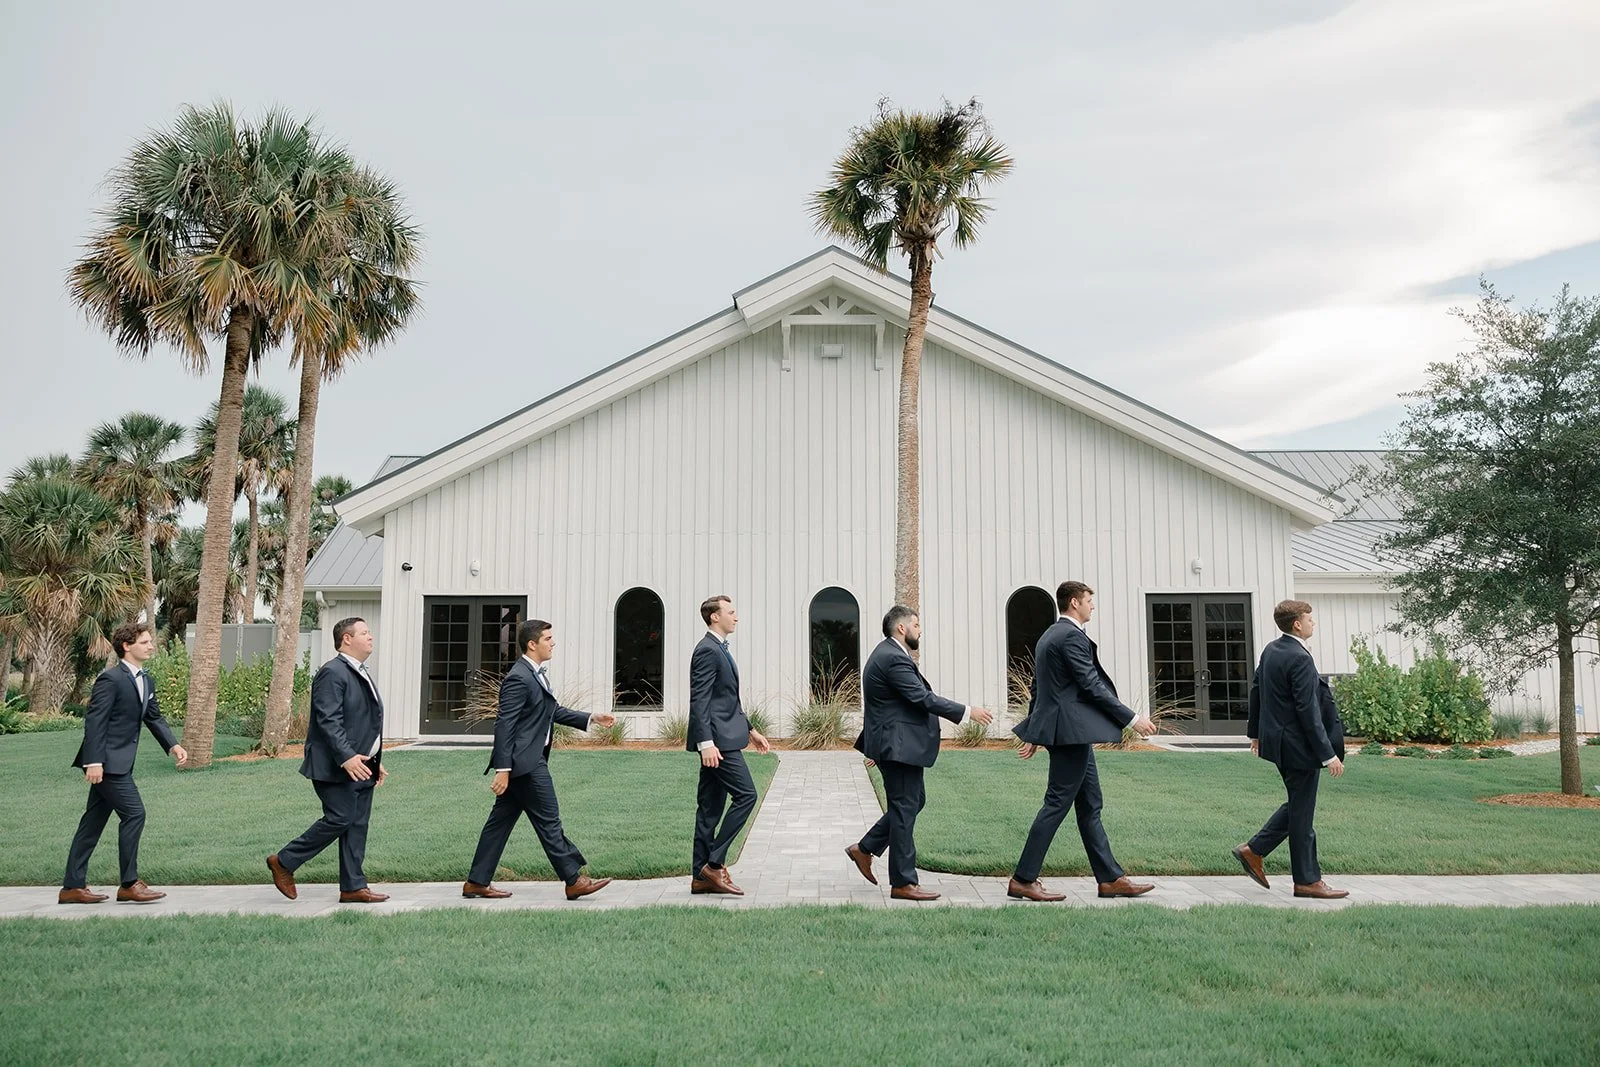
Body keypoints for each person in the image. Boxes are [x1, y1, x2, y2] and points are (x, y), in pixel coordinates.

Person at [1008, 581, 1157, 902]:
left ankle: (1110, 879)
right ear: (1074, 603)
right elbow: (1090, 685)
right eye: (1090, 600)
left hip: (1068, 733)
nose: (1093, 606)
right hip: (1070, 734)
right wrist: (1132, 720)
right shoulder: (1070, 637)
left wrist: (1034, 731)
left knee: (1090, 804)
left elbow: (1038, 687)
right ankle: (1023, 878)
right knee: (1056, 803)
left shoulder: (1050, 634)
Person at [845, 605, 992, 900]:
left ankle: (864, 848)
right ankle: (902, 882)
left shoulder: (890, 654)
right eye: (916, 624)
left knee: (912, 802)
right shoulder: (892, 657)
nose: (919, 629)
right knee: (904, 809)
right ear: (902, 628)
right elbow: (920, 697)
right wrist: (967, 711)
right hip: (897, 748)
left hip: (895, 746)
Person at [462, 619, 616, 900]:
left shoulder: (535, 674)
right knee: (549, 820)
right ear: (532, 644)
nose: (553, 642)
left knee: (499, 824)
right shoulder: (519, 677)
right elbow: (504, 724)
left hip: (526, 762)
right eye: (548, 638)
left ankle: (476, 881)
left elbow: (552, 711)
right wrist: (503, 768)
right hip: (526, 765)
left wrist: (591, 717)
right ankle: (573, 879)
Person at [60, 621, 188, 904]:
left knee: (92, 824)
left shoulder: (145, 679)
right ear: (126, 646)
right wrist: (93, 761)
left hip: (119, 763)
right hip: (106, 764)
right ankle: (129, 883)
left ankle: (72, 887)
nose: (151, 645)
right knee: (135, 814)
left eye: (150, 641)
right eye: (144, 642)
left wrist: (173, 744)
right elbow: (95, 722)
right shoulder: (111, 679)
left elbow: (153, 717)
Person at [267, 617, 389, 903]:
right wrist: (346, 757)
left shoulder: (359, 671)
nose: (371, 637)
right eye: (364, 632)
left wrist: (374, 760)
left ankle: (353, 887)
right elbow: (328, 720)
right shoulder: (332, 672)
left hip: (361, 766)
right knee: (341, 817)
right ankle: (284, 862)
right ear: (346, 639)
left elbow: (361, 722)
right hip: (335, 765)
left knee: (356, 824)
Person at [1233, 599, 1349, 899]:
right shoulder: (1299, 658)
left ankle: (1255, 850)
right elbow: (1307, 710)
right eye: (1310, 619)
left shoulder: (1271, 650)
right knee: (1302, 813)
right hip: (1299, 747)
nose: (1313, 623)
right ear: (1297, 623)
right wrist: (1328, 754)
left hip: (1279, 745)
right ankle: (1306, 880)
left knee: (1299, 804)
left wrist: (1256, 735)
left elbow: (1257, 690)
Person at [687, 596, 770, 895]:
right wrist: (705, 743)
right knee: (747, 795)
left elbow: (726, 699)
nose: (736, 617)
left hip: (724, 736)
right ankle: (715, 864)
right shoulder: (707, 650)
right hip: (717, 743)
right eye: (731, 612)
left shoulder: (718, 648)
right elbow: (700, 700)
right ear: (714, 617)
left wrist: (750, 730)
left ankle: (700, 877)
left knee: (709, 808)